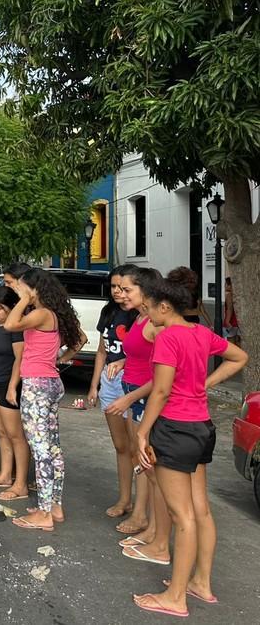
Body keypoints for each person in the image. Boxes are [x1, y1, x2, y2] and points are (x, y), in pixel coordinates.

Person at [132, 275, 248, 617]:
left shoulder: (168, 337)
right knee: (200, 510)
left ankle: (176, 597)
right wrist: (204, 384)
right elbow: (239, 357)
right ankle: (201, 583)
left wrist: (142, 432)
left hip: (175, 428)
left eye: (149, 308)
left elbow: (162, 391)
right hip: (201, 428)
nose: (147, 315)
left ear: (164, 306)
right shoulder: (200, 333)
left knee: (181, 516)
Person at [5, 267, 86, 532]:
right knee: (52, 448)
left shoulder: (40, 313)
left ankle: (44, 513)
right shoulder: (56, 315)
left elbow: (10, 324)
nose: (18, 290)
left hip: (37, 385)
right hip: (51, 382)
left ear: (35, 289)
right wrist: (59, 360)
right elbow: (81, 339)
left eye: (22, 286)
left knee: (40, 450)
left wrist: (25, 300)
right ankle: (55, 506)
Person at [106, 267, 171, 563]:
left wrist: (130, 396)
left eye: (127, 289)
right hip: (133, 391)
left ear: (145, 291)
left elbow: (163, 373)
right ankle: (151, 528)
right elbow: (139, 354)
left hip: (143, 397)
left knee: (152, 468)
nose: (121, 294)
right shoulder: (140, 318)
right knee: (142, 462)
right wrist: (122, 362)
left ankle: (156, 531)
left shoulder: (157, 324)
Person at [87, 264, 140, 518]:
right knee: (121, 446)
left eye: (123, 287)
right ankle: (125, 499)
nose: (118, 292)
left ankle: (142, 506)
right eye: (114, 287)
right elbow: (102, 351)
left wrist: (125, 362)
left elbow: (148, 355)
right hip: (109, 382)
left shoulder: (140, 317)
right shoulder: (108, 312)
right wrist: (93, 385)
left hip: (133, 383)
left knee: (136, 447)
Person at [0, 286, 30, 502]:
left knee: (16, 436)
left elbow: (19, 359)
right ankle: (4, 474)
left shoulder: (16, 328)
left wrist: (12, 386)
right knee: (2, 433)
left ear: (11, 307)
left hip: (10, 386)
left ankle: (21, 483)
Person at [224, 276, 240, 345]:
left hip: (231, 322)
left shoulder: (229, 295)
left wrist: (227, 321)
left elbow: (229, 309)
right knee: (237, 344)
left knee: (230, 345)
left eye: (226, 284)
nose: (224, 286)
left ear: (230, 286)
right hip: (236, 322)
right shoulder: (235, 295)